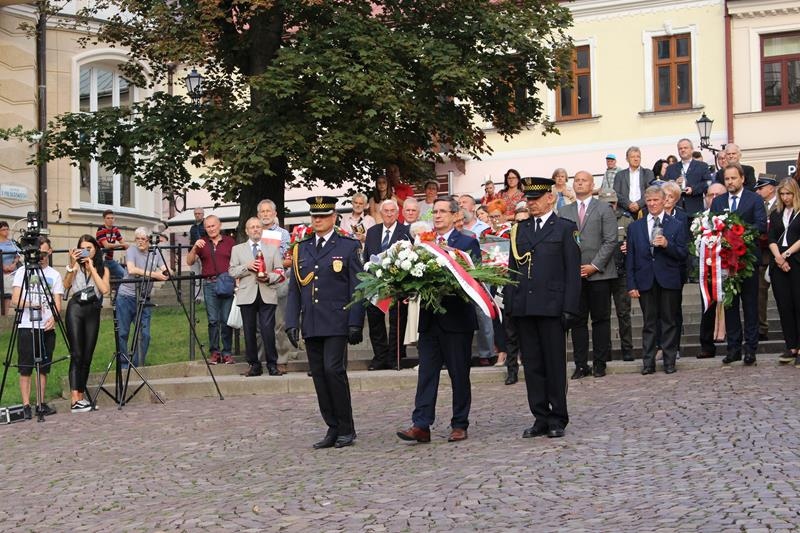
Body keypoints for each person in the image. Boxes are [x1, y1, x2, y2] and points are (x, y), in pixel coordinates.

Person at [397, 197, 481, 444]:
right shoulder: (423, 243)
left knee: (459, 374)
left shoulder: (467, 242)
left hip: (457, 319)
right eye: (435, 211)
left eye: (443, 211)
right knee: (426, 375)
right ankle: (421, 424)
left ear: (455, 215)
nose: (438, 215)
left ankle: (459, 424)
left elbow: (473, 277)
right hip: (429, 319)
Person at [286, 196, 365, 449]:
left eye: (322, 216)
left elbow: (358, 286)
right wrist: (291, 321)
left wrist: (355, 321)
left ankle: (346, 427)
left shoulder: (348, 246)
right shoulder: (302, 247)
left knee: (333, 370)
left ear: (334, 217)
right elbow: (295, 289)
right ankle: (332, 426)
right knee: (319, 375)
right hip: (312, 320)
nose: (317, 220)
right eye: (314, 216)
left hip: (337, 319)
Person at [508, 177, 580, 439]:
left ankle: (557, 417)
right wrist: (511, 305)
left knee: (554, 365)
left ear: (551, 198)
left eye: (536, 199)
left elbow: (572, 272)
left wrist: (570, 308)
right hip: (526, 307)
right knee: (533, 366)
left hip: (552, 307)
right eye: (529, 199)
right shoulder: (520, 229)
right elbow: (513, 270)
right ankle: (540, 416)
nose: (532, 203)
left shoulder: (564, 228)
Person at [559, 171, 617, 379]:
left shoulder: (603, 208)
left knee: (601, 320)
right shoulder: (564, 211)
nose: (580, 183)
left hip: (600, 274)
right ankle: (581, 364)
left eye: (584, 180)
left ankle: (600, 363)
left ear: (593, 185)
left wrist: (594, 265)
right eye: (577, 180)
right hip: (574, 276)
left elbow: (611, 240)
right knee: (577, 321)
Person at [626, 186, 688, 375]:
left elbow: (683, 253)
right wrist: (631, 284)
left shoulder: (676, 224)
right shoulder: (635, 227)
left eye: (656, 200)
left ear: (663, 201)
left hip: (668, 279)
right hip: (645, 279)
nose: (652, 204)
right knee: (649, 323)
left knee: (669, 321)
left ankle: (669, 361)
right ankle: (648, 363)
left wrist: (667, 245)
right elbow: (631, 257)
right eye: (649, 200)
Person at [711, 163, 768, 366]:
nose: (730, 182)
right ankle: (733, 348)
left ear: (742, 178)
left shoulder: (754, 199)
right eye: (727, 179)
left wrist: (738, 234)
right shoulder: (718, 202)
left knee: (750, 306)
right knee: (730, 306)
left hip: (747, 260)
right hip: (726, 262)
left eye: (733, 178)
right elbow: (712, 226)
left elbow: (760, 226)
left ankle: (750, 349)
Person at [11, 237, 63, 419]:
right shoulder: (22, 271)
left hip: (46, 327)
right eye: (38, 253)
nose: (40, 257)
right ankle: (26, 405)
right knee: (26, 366)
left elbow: (58, 303)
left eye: (44, 254)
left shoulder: (54, 275)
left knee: (43, 368)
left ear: (50, 252)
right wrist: (31, 304)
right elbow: (15, 300)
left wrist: (54, 318)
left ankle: (40, 403)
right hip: (27, 325)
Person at [230, 217, 284, 377]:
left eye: (258, 227)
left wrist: (269, 277)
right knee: (249, 331)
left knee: (268, 331)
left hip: (267, 293)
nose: (255, 229)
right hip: (247, 294)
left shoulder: (272, 248)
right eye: (252, 227)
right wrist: (246, 267)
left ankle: (272, 364)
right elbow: (232, 271)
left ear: (262, 230)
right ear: (247, 231)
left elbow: (280, 271)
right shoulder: (237, 249)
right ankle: (254, 365)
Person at [363, 200, 412, 370]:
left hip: (397, 285)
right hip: (375, 285)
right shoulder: (372, 232)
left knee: (397, 322)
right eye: (386, 211)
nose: (389, 214)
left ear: (397, 213)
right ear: (381, 213)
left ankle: (394, 358)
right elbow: (366, 257)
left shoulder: (406, 232)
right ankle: (379, 357)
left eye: (392, 211)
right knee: (375, 322)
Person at [64, 235, 110, 413]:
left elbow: (104, 290)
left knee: (87, 356)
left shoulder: (103, 269)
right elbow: (66, 285)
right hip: (76, 309)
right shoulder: (76, 266)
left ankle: (81, 397)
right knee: (76, 353)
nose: (85, 252)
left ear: (95, 249)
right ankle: (74, 399)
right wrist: (72, 265)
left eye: (89, 248)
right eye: (82, 248)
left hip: (93, 310)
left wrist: (92, 268)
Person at [186, 215, 236, 364]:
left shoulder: (230, 242)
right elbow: (189, 261)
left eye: (213, 226)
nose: (211, 229)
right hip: (209, 284)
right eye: (208, 227)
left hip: (226, 283)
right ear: (205, 228)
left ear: (219, 225)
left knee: (226, 320)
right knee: (213, 320)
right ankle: (215, 352)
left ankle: (227, 352)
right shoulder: (202, 243)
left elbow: (237, 262)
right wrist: (194, 247)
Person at [116, 228, 169, 368]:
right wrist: (155, 274)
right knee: (122, 333)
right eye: (137, 238)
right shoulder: (131, 250)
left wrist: (166, 272)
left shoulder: (155, 252)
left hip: (144, 298)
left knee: (145, 334)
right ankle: (124, 366)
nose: (140, 241)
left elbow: (165, 268)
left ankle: (136, 365)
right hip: (126, 297)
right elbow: (132, 269)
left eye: (143, 239)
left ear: (149, 240)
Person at [257, 198, 293, 374]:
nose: (265, 214)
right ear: (258, 215)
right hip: (258, 282)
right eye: (262, 211)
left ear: (274, 214)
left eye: (268, 211)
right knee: (259, 324)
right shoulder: (253, 232)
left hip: (278, 281)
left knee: (280, 323)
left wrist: (272, 264)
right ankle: (258, 360)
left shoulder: (283, 234)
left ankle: (282, 359)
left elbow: (289, 259)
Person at [768, 178, 800, 366]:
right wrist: (778, 257)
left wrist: (787, 254)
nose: (786, 197)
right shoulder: (776, 213)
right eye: (782, 194)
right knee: (784, 305)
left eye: (789, 193)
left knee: (798, 304)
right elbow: (771, 237)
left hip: (796, 260)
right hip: (778, 263)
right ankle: (791, 345)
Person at [599, 190, 635, 361]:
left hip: (621, 272)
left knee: (624, 313)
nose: (609, 207)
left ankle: (627, 349)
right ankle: (605, 351)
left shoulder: (626, 220)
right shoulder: (594, 220)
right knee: (603, 315)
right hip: (602, 272)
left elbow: (636, 241)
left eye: (612, 203)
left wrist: (629, 246)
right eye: (606, 204)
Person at [697, 182, 728, 359]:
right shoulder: (700, 219)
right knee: (707, 305)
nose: (714, 198)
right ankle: (706, 344)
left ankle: (734, 344)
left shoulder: (730, 217)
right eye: (711, 195)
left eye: (718, 195)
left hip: (727, 266)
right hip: (707, 269)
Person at [502, 201, 531, 385]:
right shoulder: (507, 237)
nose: (519, 225)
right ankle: (511, 371)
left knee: (528, 336)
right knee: (511, 335)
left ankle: (530, 369)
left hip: (529, 291)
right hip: (511, 290)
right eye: (516, 221)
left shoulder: (533, 238)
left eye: (523, 221)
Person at [756, 177, 779, 341]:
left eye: (761, 188)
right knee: (760, 294)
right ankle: (761, 328)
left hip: (782, 255)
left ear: (771, 188)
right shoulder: (759, 205)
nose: (758, 191)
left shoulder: (782, 203)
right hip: (763, 256)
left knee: (784, 295)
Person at [663, 138, 709, 216]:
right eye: (680, 148)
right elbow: (664, 186)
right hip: (675, 210)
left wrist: (693, 189)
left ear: (692, 149)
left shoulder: (702, 166)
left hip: (695, 209)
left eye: (685, 148)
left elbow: (707, 183)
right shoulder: (671, 168)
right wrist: (675, 184)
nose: (683, 150)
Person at [614, 146, 655, 218]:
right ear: (627, 159)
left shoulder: (648, 173)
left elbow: (651, 192)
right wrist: (628, 204)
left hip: (644, 210)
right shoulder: (620, 175)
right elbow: (616, 193)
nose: (636, 159)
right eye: (633, 157)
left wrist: (639, 204)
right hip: (625, 212)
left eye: (638, 156)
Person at [95, 209, 129, 280]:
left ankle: (118, 288)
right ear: (104, 219)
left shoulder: (115, 229)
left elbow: (123, 242)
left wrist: (125, 245)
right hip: (100, 261)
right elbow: (106, 246)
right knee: (102, 280)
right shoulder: (101, 229)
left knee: (125, 275)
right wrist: (122, 245)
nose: (110, 220)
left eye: (112, 218)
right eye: (108, 218)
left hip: (110, 260)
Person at [0, 220, 21, 313]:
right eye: (3, 229)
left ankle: (5, 316)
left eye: (7, 229)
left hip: (11, 272)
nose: (6, 231)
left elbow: (18, 254)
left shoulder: (12, 242)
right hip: (2, 271)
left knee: (8, 295)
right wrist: (3, 266)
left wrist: (14, 263)